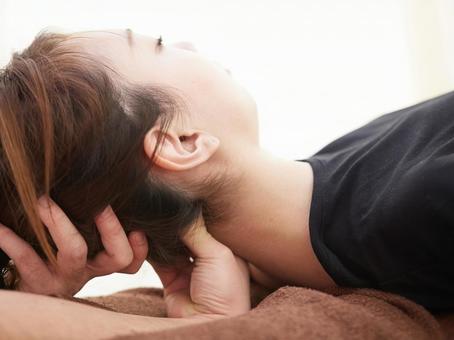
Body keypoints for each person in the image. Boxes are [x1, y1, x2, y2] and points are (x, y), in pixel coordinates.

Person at [0, 27, 451, 336]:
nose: (188, 43)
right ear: (180, 142)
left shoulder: (339, 177)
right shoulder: (424, 204)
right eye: (158, 45)